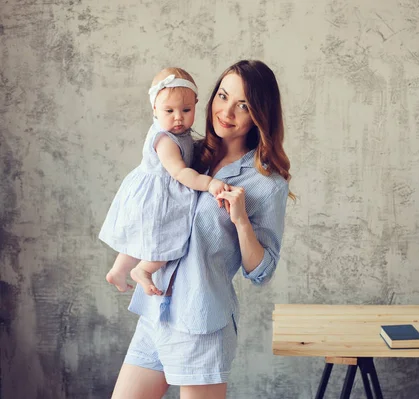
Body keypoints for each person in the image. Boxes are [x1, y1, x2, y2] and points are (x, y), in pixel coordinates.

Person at [110, 60, 293, 399]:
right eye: (223, 96)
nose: (227, 111)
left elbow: (262, 272)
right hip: (156, 313)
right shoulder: (186, 154)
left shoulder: (267, 184)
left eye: (244, 105)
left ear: (259, 115)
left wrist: (240, 220)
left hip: (202, 323)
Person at [99, 67, 226, 296]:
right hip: (158, 195)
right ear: (154, 109)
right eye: (169, 110)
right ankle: (143, 270)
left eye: (186, 110)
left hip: (149, 192)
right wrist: (208, 183)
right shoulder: (164, 140)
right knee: (166, 239)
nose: (178, 117)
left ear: (196, 104)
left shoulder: (177, 132)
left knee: (141, 237)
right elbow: (179, 172)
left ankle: (118, 271)